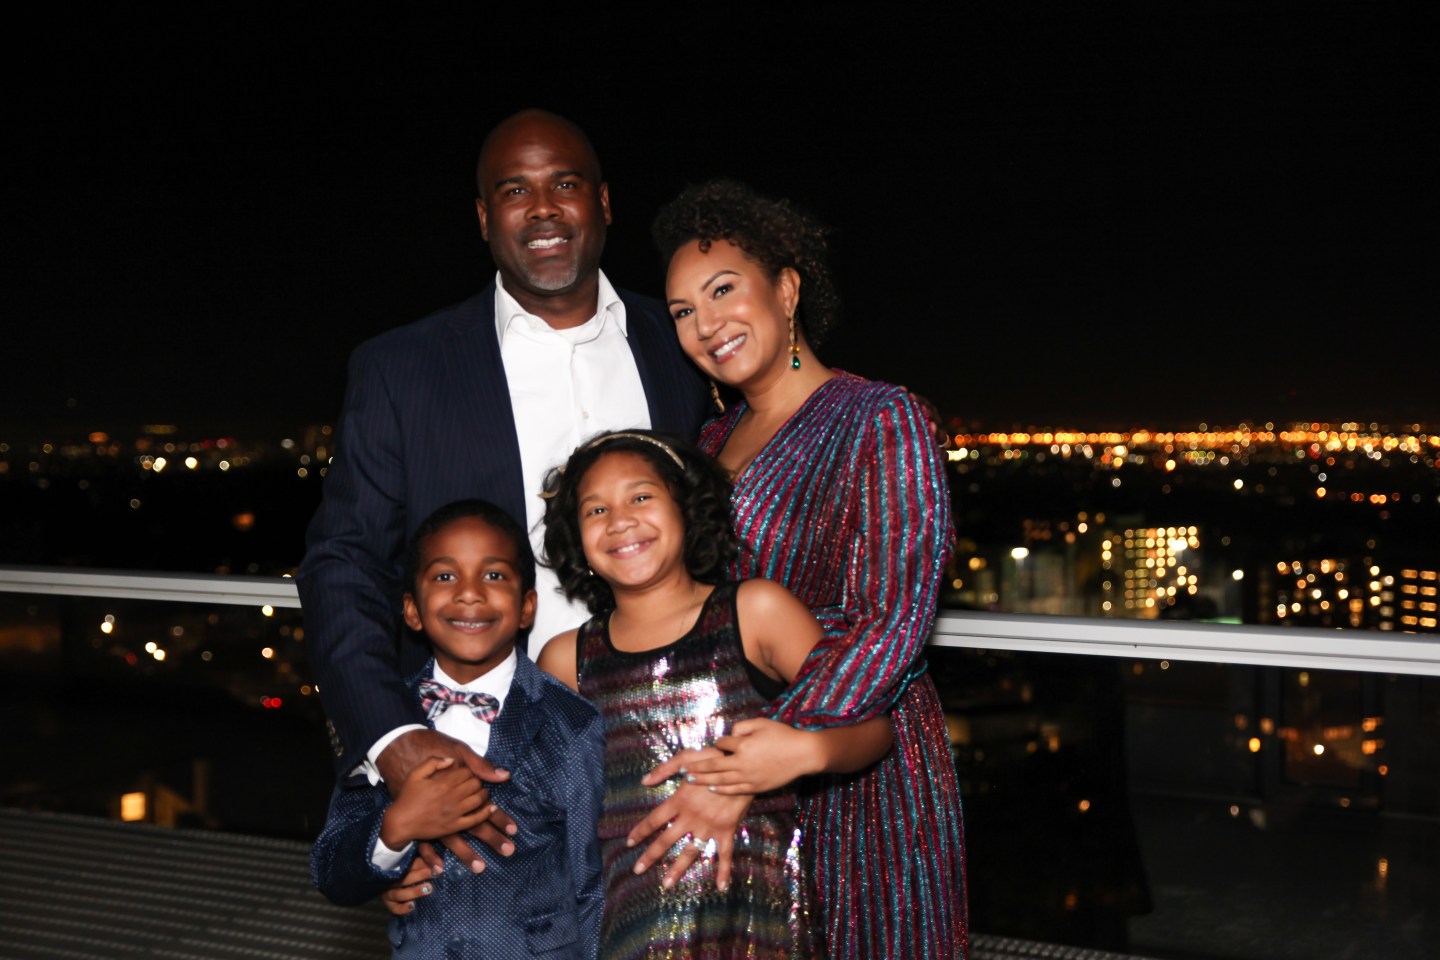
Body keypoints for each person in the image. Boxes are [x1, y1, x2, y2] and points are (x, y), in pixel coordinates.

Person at [297, 109, 709, 868]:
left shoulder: (682, 344)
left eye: (566, 184)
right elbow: (344, 564)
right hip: (486, 782)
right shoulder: (403, 369)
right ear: (485, 217)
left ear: (605, 203)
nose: (545, 208)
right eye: (516, 189)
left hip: (678, 760)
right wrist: (393, 749)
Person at [636, 180, 968, 959]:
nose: (704, 324)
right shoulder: (708, 444)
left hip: (861, 759)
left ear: (787, 288)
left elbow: (893, 621)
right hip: (732, 759)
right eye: (683, 311)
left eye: (722, 291)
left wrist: (770, 750)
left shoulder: (879, 417)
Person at [535, 431, 895, 960]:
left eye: (641, 497)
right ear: (576, 540)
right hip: (631, 934)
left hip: (765, 927)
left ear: (686, 509)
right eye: (595, 510)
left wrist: (803, 752)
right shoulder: (566, 660)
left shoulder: (756, 612)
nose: (620, 520)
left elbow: (874, 729)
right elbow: (544, 809)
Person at [310, 499, 604, 959]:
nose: (470, 593)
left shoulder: (572, 724)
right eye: (445, 576)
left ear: (527, 607)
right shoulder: (382, 723)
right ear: (411, 610)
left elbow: (595, 885)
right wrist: (397, 827)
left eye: (494, 575)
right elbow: (332, 872)